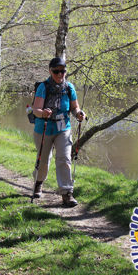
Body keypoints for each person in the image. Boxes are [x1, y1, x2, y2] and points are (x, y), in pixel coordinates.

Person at [31, 57, 85, 207]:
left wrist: (79, 114)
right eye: (56, 71)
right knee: (44, 159)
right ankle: (38, 182)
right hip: (44, 128)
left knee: (64, 158)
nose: (60, 74)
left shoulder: (69, 87)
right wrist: (43, 113)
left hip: (63, 128)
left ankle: (67, 193)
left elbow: (75, 108)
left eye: (63, 71)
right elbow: (36, 110)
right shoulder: (44, 87)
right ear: (50, 71)